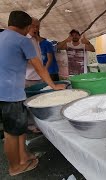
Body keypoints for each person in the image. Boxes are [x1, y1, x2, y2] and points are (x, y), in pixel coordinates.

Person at [0, 11, 65, 176]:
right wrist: (53, 86)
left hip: (5, 91)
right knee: (11, 133)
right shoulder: (23, 40)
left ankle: (24, 156)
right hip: (10, 93)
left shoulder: (2, 36)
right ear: (28, 26)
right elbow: (39, 66)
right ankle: (15, 167)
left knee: (18, 128)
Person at [25, 17, 42, 87]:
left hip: (39, 76)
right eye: (33, 26)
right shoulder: (25, 40)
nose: (35, 28)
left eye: (37, 27)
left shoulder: (35, 39)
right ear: (27, 26)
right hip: (29, 78)